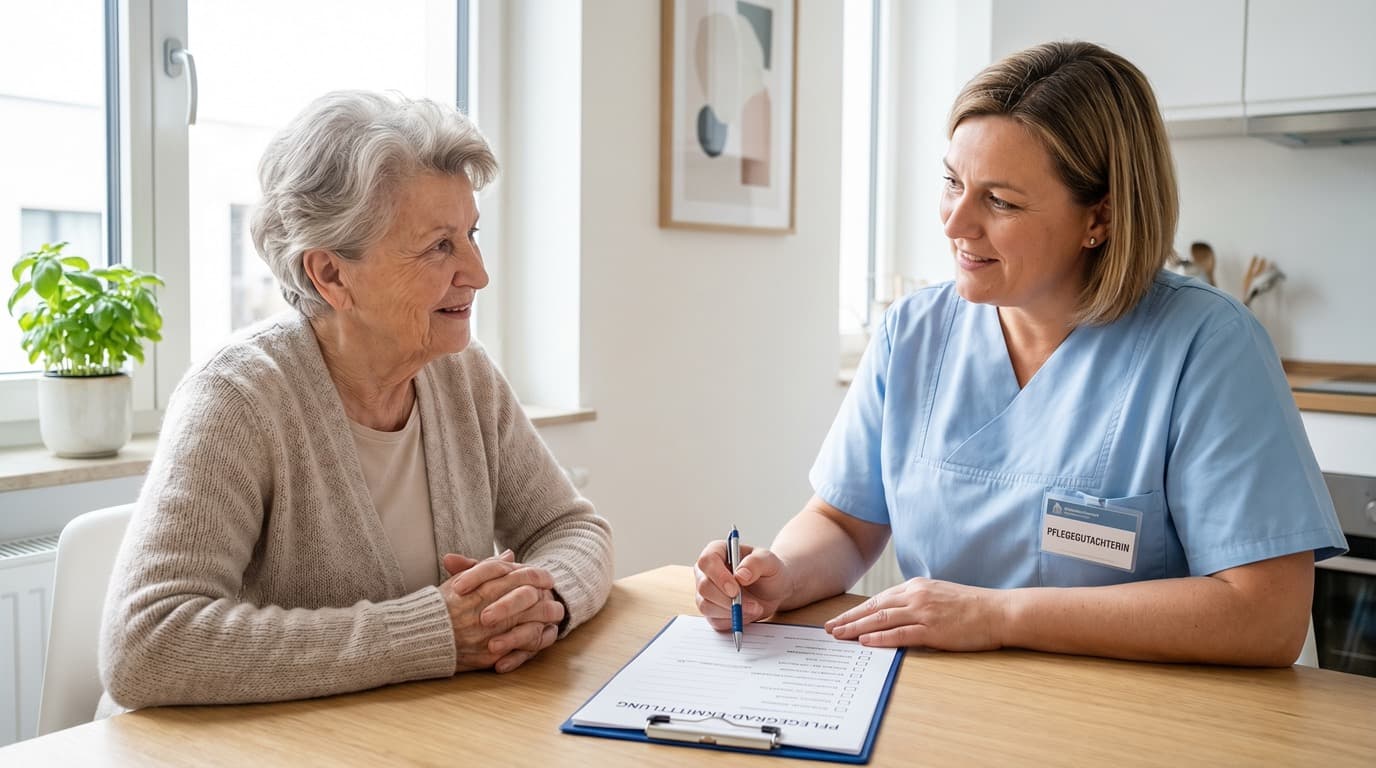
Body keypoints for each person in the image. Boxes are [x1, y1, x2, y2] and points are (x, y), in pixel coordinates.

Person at [694, 42, 1346, 667]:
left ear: (1101, 219)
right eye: (953, 183)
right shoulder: (914, 331)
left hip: (1141, 718)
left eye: (999, 201)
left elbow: (1267, 615)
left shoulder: (1207, 345)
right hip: (943, 704)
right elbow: (843, 521)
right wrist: (779, 574)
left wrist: (999, 617)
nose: (954, 224)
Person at [99, 91, 613, 711]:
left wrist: (543, 601)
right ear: (331, 275)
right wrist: (433, 633)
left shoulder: (463, 374)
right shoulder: (237, 398)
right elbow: (147, 644)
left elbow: (570, 526)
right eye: (440, 246)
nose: (478, 273)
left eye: (471, 234)